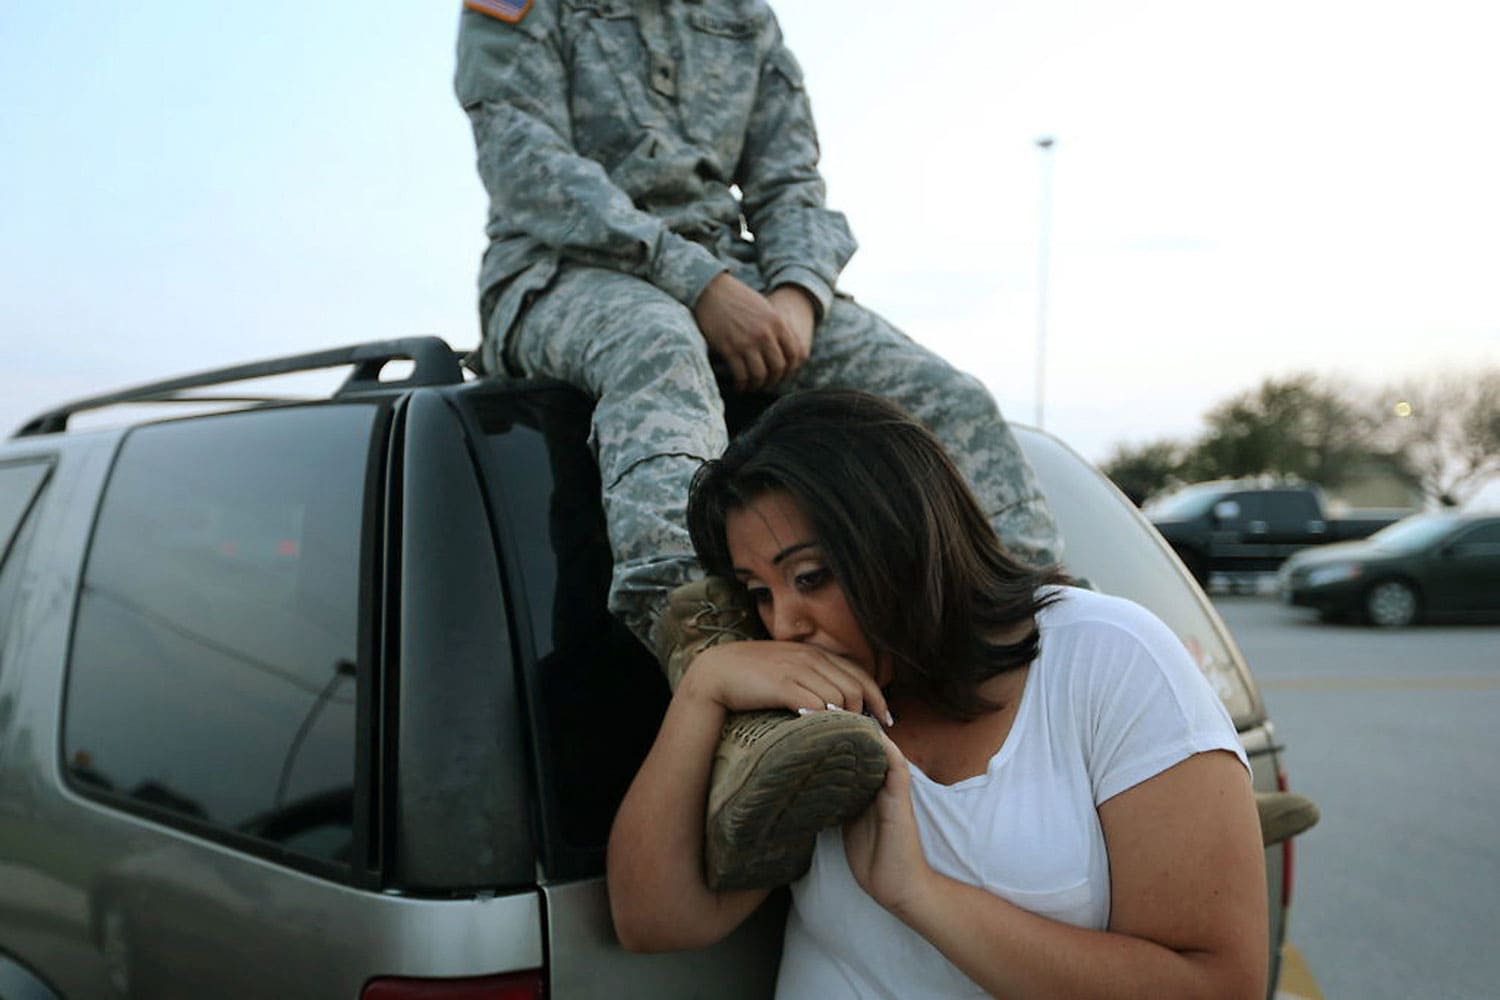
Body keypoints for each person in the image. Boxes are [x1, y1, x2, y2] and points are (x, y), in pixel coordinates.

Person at [454, 0, 1064, 889]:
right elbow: (526, 167)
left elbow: (790, 182)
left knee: (948, 397)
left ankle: (1075, 716)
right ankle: (735, 712)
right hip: (563, 272)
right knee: (656, 351)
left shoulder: (739, 13)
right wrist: (696, 283)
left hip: (746, 280)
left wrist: (797, 297)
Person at [608, 389, 1271, 999]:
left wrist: (918, 893)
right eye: (759, 592)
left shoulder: (1107, 658)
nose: (784, 625)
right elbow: (657, 920)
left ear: (903, 542)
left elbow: (1216, 985)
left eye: (809, 577)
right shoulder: (803, 714)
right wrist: (703, 691)